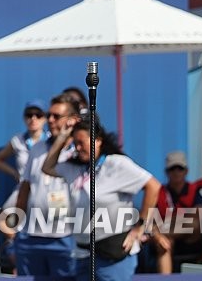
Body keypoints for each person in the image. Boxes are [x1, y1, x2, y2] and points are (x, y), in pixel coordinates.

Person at [42, 117, 163, 281]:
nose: (77, 148)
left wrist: (140, 227)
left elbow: (153, 186)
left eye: (81, 142)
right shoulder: (75, 167)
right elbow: (47, 167)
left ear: (97, 141)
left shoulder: (116, 164)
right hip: (83, 254)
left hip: (113, 255)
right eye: (75, 143)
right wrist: (63, 135)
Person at [14, 94, 82, 278]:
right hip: (31, 237)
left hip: (65, 237)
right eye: (49, 115)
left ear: (72, 120)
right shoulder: (37, 148)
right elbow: (25, 188)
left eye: (56, 116)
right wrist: (16, 229)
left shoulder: (80, 152)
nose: (50, 120)